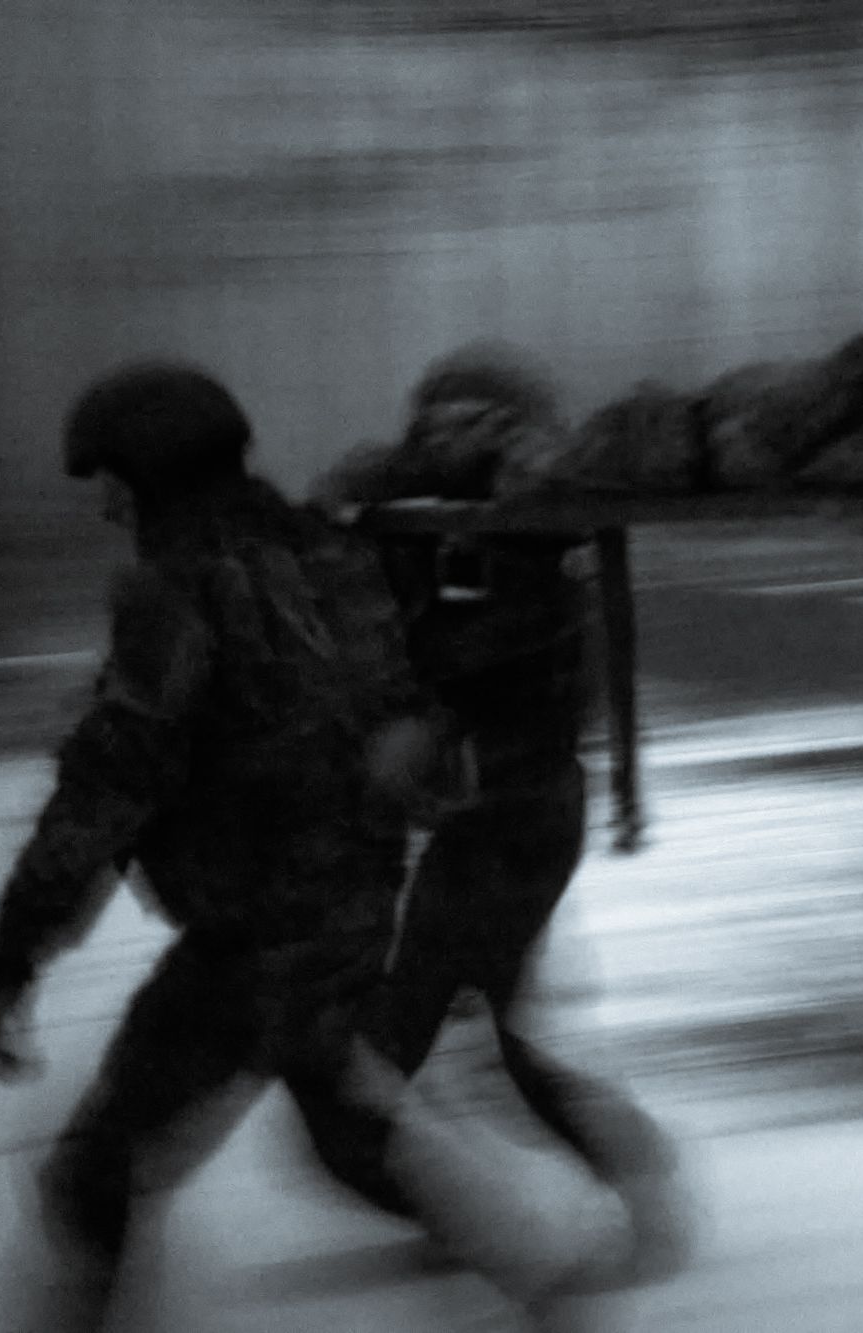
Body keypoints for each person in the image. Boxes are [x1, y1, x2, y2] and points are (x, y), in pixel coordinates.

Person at [0, 362, 574, 1330]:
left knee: (95, 1170)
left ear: (155, 472)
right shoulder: (331, 553)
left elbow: (107, 789)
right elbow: (392, 716)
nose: (107, 505)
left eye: (112, 480)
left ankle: (550, 1294)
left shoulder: (179, 593)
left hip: (256, 939)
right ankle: (547, 1290)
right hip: (347, 912)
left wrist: (11, 957)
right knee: (348, 1132)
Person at [314, 344, 688, 1305]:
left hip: (514, 815)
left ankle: (512, 1219)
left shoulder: (524, 532)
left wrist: (425, 712)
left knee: (391, 1051)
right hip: (495, 816)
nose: (452, 439)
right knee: (484, 1036)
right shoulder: (441, 517)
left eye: (472, 423)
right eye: (440, 423)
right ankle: (579, 1196)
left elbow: (509, 652)